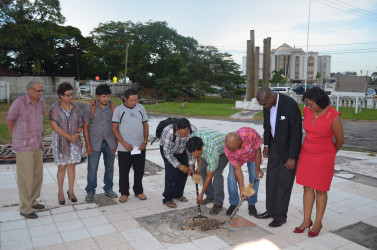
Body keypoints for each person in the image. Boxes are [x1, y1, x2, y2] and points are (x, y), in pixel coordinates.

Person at [294, 87, 344, 237]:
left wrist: (330, 153)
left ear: (321, 102)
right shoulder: (307, 111)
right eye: (307, 104)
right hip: (307, 153)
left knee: (321, 189)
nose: (308, 107)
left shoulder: (334, 116)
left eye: (311, 104)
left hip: (324, 156)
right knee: (307, 188)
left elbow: (340, 140)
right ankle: (306, 220)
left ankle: (317, 223)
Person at [255, 87, 302, 227]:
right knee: (271, 180)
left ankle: (280, 216)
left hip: (288, 150)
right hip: (274, 147)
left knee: (283, 183)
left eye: (264, 103)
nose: (264, 107)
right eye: (262, 105)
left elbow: (296, 133)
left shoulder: (290, 105)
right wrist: (267, 145)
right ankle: (270, 211)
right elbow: (267, 126)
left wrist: (292, 157)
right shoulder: (267, 106)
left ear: (271, 97)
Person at [6, 78, 46, 219]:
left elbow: (41, 119)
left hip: (38, 144)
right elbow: (10, 121)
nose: (40, 93)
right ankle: (25, 208)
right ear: (29, 90)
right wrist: (16, 138)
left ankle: (33, 201)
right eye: (38, 91)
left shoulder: (41, 103)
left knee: (37, 176)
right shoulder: (19, 103)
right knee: (26, 178)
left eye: (42, 90)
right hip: (24, 146)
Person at [112, 89, 149, 203]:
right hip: (125, 148)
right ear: (125, 99)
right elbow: (114, 128)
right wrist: (123, 143)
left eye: (136, 100)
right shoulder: (119, 110)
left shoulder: (140, 108)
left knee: (139, 170)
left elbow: (145, 125)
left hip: (139, 147)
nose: (134, 102)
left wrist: (145, 142)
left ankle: (138, 191)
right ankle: (124, 193)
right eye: (131, 100)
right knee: (124, 172)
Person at [49, 82, 83, 205]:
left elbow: (80, 123)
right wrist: (69, 136)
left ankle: (71, 191)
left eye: (71, 95)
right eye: (67, 95)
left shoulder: (76, 107)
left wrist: (76, 134)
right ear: (60, 95)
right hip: (61, 142)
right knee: (62, 166)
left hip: (74, 141)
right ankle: (60, 192)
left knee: (72, 165)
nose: (69, 97)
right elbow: (54, 125)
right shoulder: (54, 108)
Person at [83, 84, 117, 202]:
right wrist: (87, 145)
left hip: (110, 142)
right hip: (94, 143)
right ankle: (90, 191)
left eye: (107, 96)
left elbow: (116, 126)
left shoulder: (113, 107)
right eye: (103, 96)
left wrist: (115, 144)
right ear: (97, 96)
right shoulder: (89, 108)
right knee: (92, 169)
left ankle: (108, 189)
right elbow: (85, 127)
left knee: (110, 168)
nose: (106, 99)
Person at [186, 130, 229, 214]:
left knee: (217, 174)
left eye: (195, 153)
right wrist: (194, 167)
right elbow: (195, 156)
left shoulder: (211, 154)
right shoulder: (193, 139)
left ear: (201, 148)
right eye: (192, 154)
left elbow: (209, 177)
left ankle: (218, 203)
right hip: (212, 143)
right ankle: (210, 196)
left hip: (224, 150)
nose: (194, 156)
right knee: (202, 170)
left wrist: (201, 195)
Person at [224, 127, 264, 217]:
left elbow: (258, 150)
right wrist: (242, 189)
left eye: (235, 148)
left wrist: (257, 169)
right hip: (238, 159)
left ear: (239, 142)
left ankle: (252, 203)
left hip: (252, 155)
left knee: (254, 176)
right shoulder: (228, 148)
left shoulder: (250, 134)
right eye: (232, 149)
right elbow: (237, 169)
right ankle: (234, 203)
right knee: (231, 178)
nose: (233, 151)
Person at [160, 118, 196, 208]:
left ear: (189, 128)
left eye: (185, 133)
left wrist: (191, 165)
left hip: (183, 150)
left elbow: (192, 148)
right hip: (169, 151)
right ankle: (167, 198)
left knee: (185, 171)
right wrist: (179, 166)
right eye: (180, 133)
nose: (183, 135)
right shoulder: (168, 132)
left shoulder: (193, 130)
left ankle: (178, 194)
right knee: (171, 172)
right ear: (177, 128)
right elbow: (167, 153)